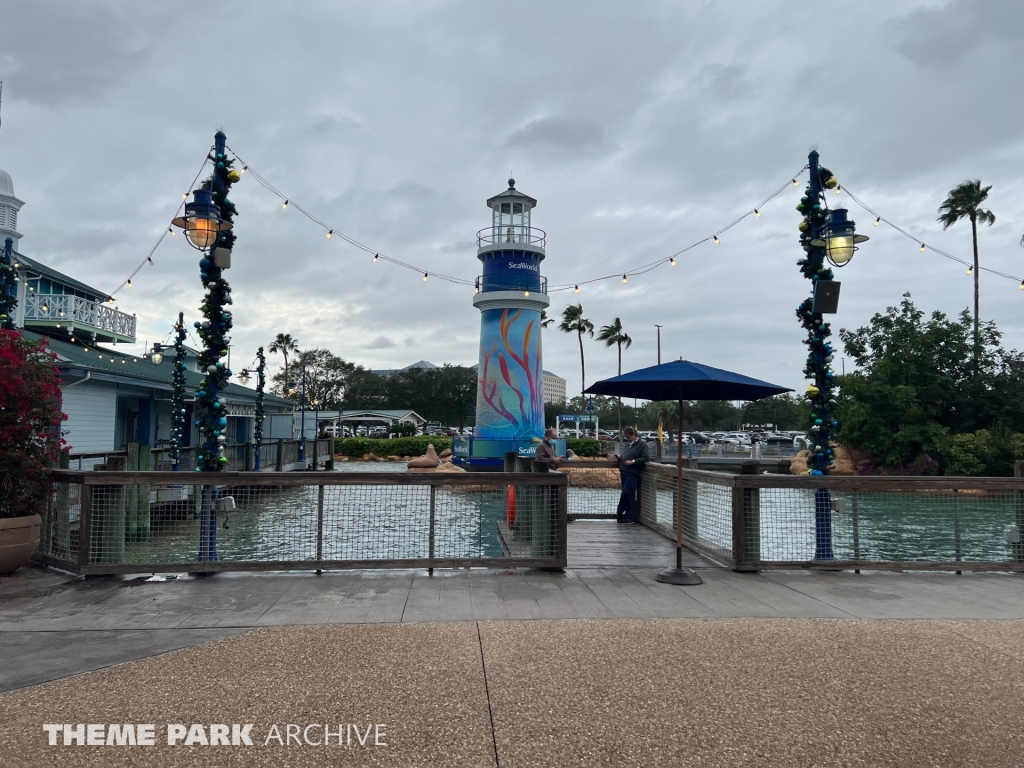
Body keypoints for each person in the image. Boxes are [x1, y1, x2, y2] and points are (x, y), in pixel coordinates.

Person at [616, 426, 649, 524]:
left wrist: (633, 461)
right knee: (628, 494)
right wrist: (620, 457)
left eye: (628, 437)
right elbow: (626, 454)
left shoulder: (642, 445)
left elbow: (646, 458)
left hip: (633, 473)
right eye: (625, 437)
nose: (627, 439)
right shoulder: (628, 445)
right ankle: (628, 516)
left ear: (634, 435)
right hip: (624, 471)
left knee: (627, 493)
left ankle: (622, 512)